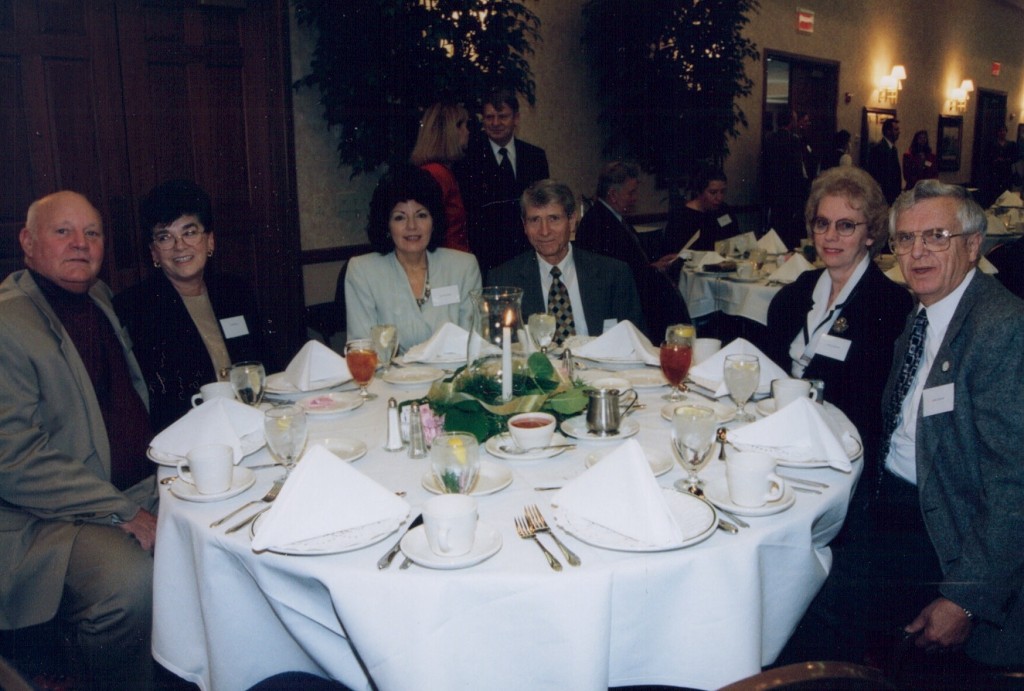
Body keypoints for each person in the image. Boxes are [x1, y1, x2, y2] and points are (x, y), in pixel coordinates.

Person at [0, 191, 158, 689]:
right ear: (27, 242)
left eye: (92, 233)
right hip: (47, 519)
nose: (81, 244)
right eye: (63, 231)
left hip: (134, 487)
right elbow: (14, 460)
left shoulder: (98, 298)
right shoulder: (7, 323)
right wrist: (121, 510)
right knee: (129, 584)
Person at [875, 180, 1024, 671]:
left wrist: (965, 598)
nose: (917, 252)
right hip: (895, 505)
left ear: (973, 245)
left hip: (948, 535)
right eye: (905, 238)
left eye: (936, 236)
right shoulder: (923, 312)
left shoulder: (1002, 327)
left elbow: (1015, 483)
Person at [761, 166, 912, 465]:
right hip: (779, 432)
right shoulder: (794, 294)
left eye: (845, 226)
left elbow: (868, 406)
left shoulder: (889, 304)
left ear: (870, 233)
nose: (830, 236)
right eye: (822, 223)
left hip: (838, 449)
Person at [114, 180, 265, 432]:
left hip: (249, 420)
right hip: (188, 432)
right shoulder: (136, 308)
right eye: (165, 237)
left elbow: (265, 365)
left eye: (190, 232)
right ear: (154, 253)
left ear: (210, 241)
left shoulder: (235, 292)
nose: (180, 245)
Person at [488, 179, 643, 345]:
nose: (544, 231)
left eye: (554, 218)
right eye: (535, 220)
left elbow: (635, 343)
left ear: (571, 221)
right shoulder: (504, 280)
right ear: (524, 226)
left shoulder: (613, 274)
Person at [345, 166, 481, 352]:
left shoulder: (463, 267)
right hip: (388, 372)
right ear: (386, 225)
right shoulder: (363, 271)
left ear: (434, 221)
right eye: (400, 218)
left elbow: (473, 344)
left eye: (421, 215)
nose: (412, 226)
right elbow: (362, 349)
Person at [574, 161, 689, 342]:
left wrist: (654, 265)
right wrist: (652, 270)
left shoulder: (612, 217)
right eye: (631, 192)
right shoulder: (598, 223)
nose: (635, 198)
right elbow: (611, 275)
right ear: (613, 194)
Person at [453, 87, 550, 274]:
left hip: (528, 254)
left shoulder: (535, 157)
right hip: (486, 258)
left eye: (503, 116)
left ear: (516, 118)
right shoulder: (468, 159)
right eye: (489, 117)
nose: (495, 123)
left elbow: (542, 204)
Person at [409, 102, 471, 253]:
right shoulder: (436, 174)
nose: (467, 131)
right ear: (449, 132)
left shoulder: (443, 171)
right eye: (462, 126)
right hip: (446, 259)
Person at [658, 166, 740, 255]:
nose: (719, 198)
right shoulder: (681, 216)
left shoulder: (724, 209)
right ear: (699, 192)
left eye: (722, 192)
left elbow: (736, 239)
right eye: (713, 193)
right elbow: (672, 254)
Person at [762, 110, 810, 248]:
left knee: (775, 228)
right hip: (789, 193)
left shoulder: (769, 139)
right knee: (789, 231)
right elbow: (797, 169)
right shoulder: (794, 140)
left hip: (772, 191)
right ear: (791, 121)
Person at [981, 125, 1020, 208]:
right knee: (994, 192)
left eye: (1004, 131)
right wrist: (995, 160)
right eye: (1000, 131)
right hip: (994, 173)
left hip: (1006, 173)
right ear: (997, 132)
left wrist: (1007, 160)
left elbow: (1016, 157)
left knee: (1006, 193)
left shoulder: (1011, 144)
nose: (1002, 133)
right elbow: (986, 157)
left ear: (1006, 132)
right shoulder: (992, 144)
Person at [867, 117, 902, 204]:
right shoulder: (878, 149)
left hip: (892, 196)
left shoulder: (893, 149)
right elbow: (875, 174)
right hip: (883, 196)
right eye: (896, 130)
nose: (899, 132)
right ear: (888, 131)